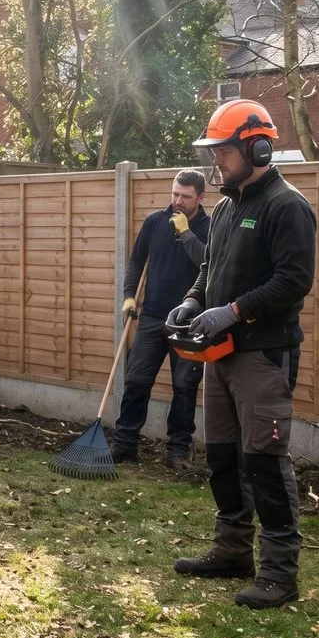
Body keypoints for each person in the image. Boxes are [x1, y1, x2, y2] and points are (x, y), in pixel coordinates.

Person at [166, 99, 318, 610]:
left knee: (264, 461)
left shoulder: (287, 206)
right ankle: (232, 550)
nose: (216, 161)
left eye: (224, 151)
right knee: (224, 457)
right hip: (222, 353)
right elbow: (208, 268)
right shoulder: (229, 207)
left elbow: (294, 281)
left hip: (263, 354)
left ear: (257, 148)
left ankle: (279, 573)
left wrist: (233, 311)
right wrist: (193, 301)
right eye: (213, 151)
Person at [113, 170, 211, 470]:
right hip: (153, 316)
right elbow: (136, 261)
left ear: (201, 197)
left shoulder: (211, 227)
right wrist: (129, 296)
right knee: (136, 380)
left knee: (184, 387)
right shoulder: (155, 222)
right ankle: (125, 443)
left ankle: (178, 452)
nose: (178, 201)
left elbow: (210, 264)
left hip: (189, 323)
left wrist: (186, 233)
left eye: (186, 197)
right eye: (175, 194)